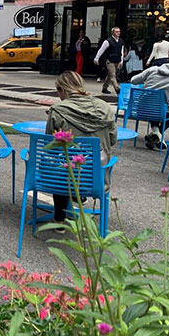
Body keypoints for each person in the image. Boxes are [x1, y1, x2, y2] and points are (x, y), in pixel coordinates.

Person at [45, 71, 117, 225]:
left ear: (63, 90)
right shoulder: (104, 108)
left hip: (63, 177)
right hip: (96, 175)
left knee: (60, 165)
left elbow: (50, 144)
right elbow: (112, 140)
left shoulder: (57, 110)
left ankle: (59, 220)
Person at [130, 49, 169, 149]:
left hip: (141, 108)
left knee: (155, 104)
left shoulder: (152, 69)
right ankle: (158, 133)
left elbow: (133, 80)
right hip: (158, 110)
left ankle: (156, 134)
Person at [93, 26, 125, 94]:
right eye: (116, 32)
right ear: (112, 33)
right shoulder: (108, 41)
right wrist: (96, 58)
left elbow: (121, 52)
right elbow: (101, 50)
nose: (118, 33)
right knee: (113, 75)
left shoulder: (121, 41)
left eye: (119, 32)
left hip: (117, 60)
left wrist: (122, 61)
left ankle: (105, 88)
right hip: (110, 61)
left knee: (109, 75)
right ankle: (117, 88)